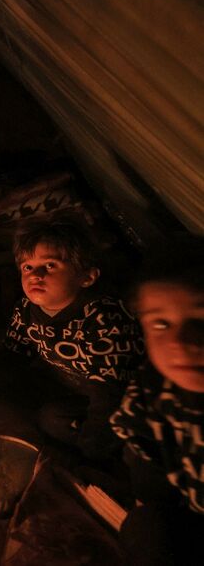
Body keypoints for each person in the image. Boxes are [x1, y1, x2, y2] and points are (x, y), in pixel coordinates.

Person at [0, 221, 145, 460]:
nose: (35, 275)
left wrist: (92, 447)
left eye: (50, 265)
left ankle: (111, 452)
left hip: (112, 395)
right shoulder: (26, 308)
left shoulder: (104, 320)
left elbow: (109, 394)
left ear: (86, 277)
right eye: (27, 267)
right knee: (8, 393)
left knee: (53, 419)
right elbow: (15, 351)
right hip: (65, 379)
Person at [110, 241, 203, 566]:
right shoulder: (154, 386)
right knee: (145, 529)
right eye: (160, 324)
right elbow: (142, 449)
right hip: (188, 508)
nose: (180, 341)